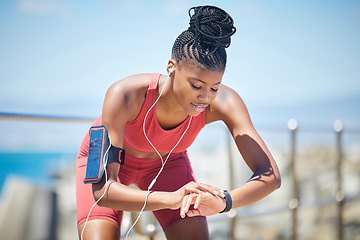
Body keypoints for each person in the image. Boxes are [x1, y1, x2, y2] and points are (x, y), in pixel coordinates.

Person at [76, 5, 281, 240]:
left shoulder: (225, 102)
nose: (205, 97)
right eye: (196, 85)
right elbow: (103, 191)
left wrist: (223, 201)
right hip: (116, 170)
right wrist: (171, 198)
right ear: (171, 68)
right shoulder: (123, 95)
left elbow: (271, 176)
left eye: (214, 87)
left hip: (168, 165)